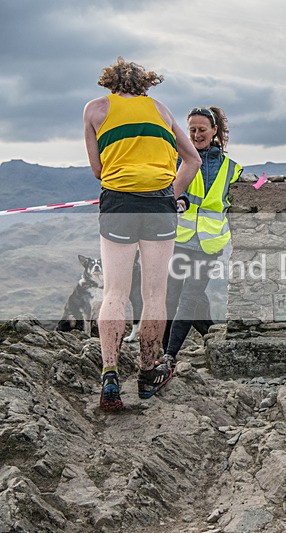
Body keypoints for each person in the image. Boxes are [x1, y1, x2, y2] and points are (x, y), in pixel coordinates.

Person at [83, 57, 201, 412]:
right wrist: (172, 192)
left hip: (118, 202)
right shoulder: (161, 110)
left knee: (115, 292)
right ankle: (149, 373)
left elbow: (97, 170)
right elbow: (192, 159)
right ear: (146, 85)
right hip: (159, 203)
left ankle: (110, 377)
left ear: (110, 83)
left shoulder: (95, 109)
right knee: (155, 294)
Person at [161, 106, 242, 368]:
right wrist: (178, 198)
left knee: (190, 297)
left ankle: (170, 355)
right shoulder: (176, 159)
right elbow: (166, 188)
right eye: (192, 130)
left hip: (209, 244)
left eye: (202, 130)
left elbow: (242, 196)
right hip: (178, 239)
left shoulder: (232, 168)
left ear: (214, 131)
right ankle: (165, 352)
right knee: (171, 297)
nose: (196, 135)